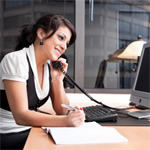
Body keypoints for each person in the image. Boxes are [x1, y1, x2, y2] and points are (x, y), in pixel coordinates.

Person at [0, 14, 85, 149]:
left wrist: (57, 80)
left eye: (67, 43)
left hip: (32, 129)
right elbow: (20, 116)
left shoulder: (48, 66)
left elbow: (62, 111)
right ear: (41, 33)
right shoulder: (16, 60)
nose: (64, 47)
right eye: (61, 38)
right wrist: (65, 121)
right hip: (9, 132)